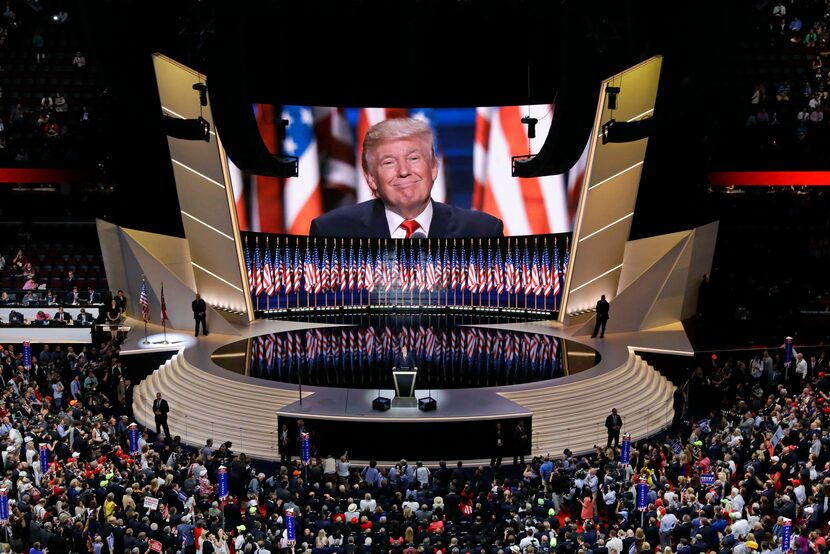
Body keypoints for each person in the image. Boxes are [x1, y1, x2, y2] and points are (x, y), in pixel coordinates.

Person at [309, 118, 503, 238]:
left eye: (414, 158)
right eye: (389, 162)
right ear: (371, 178)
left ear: (434, 168)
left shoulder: (482, 231)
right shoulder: (332, 232)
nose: (404, 171)